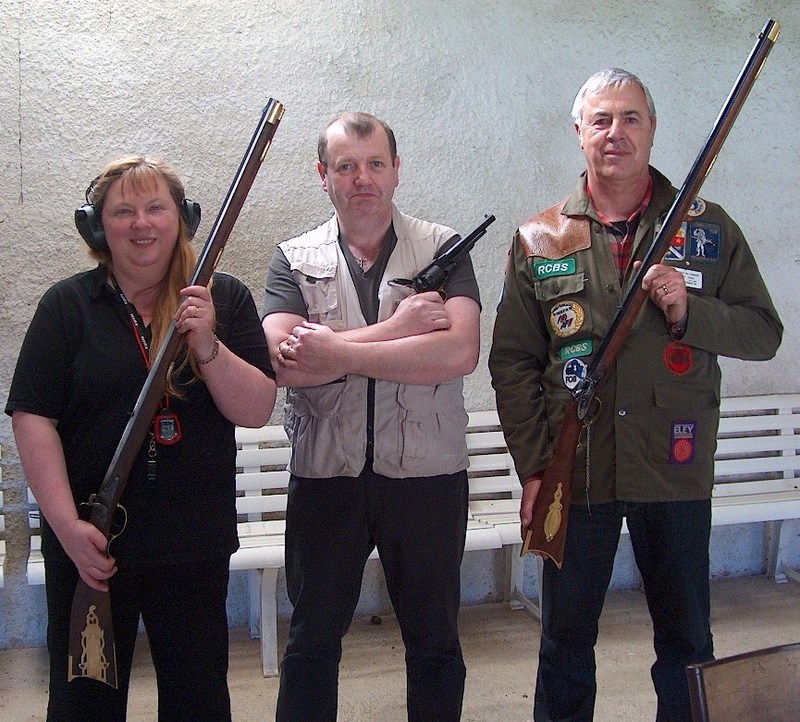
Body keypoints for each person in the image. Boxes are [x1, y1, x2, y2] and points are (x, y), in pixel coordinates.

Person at [488, 68, 783, 721]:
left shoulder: (708, 230)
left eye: (630, 118)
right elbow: (512, 362)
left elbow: (765, 332)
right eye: (601, 120)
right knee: (564, 645)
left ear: (652, 129)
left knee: (686, 645)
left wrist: (690, 312)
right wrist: (536, 468)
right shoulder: (540, 238)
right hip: (578, 472)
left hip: (673, 470)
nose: (614, 133)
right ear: (579, 132)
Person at [6, 155, 277, 721]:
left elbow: (255, 409)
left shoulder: (223, 299)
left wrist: (207, 343)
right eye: (123, 211)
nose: (141, 223)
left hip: (193, 543)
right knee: (85, 703)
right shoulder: (66, 306)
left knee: (198, 702)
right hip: (91, 544)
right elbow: (33, 417)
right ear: (97, 226)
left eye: (156, 207)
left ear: (183, 218)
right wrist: (68, 528)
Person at [262, 111, 481, 721]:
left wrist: (333, 351)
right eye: (346, 166)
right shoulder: (292, 258)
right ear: (323, 175)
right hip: (325, 477)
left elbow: (458, 353)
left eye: (375, 164)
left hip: (428, 477)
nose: (363, 178)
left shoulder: (444, 247)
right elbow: (284, 365)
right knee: (310, 643)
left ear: (396, 170)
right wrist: (397, 331)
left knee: (435, 642)